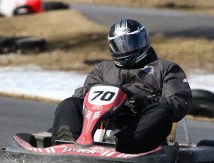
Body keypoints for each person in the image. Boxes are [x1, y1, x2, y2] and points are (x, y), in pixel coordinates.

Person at [50, 19, 192, 153]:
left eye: (131, 43)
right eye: (120, 45)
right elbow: (84, 93)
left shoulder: (164, 68)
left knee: (163, 111)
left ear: (143, 41)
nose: (125, 50)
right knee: (70, 103)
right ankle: (66, 143)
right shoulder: (103, 68)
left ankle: (118, 145)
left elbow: (179, 102)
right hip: (102, 120)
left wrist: (145, 101)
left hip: (140, 124)